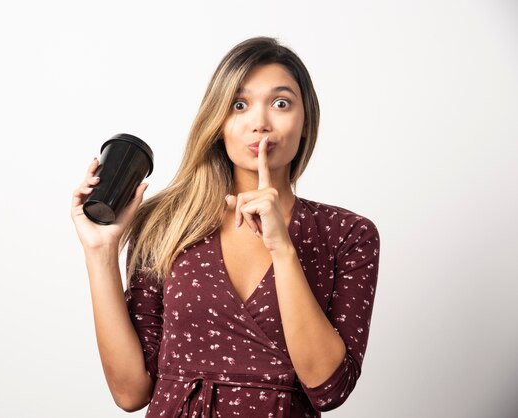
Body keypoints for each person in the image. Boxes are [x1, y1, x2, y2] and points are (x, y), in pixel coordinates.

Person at [71, 36, 380, 417]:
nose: (260, 123)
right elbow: (131, 392)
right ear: (219, 122)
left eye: (281, 103)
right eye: (239, 105)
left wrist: (282, 250)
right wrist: (100, 252)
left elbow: (328, 389)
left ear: (305, 124)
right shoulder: (166, 225)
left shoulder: (348, 235)